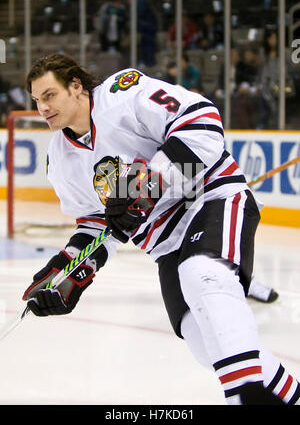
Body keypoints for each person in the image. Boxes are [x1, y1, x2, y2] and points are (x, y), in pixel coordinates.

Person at [22, 53, 299, 405]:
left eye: (49, 95)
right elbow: (97, 225)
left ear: (76, 86)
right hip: (165, 244)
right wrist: (66, 273)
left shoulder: (123, 96)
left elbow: (202, 121)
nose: (42, 107)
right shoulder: (60, 161)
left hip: (209, 198)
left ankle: (243, 398)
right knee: (201, 338)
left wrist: (150, 183)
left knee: (202, 275)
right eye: (36, 100)